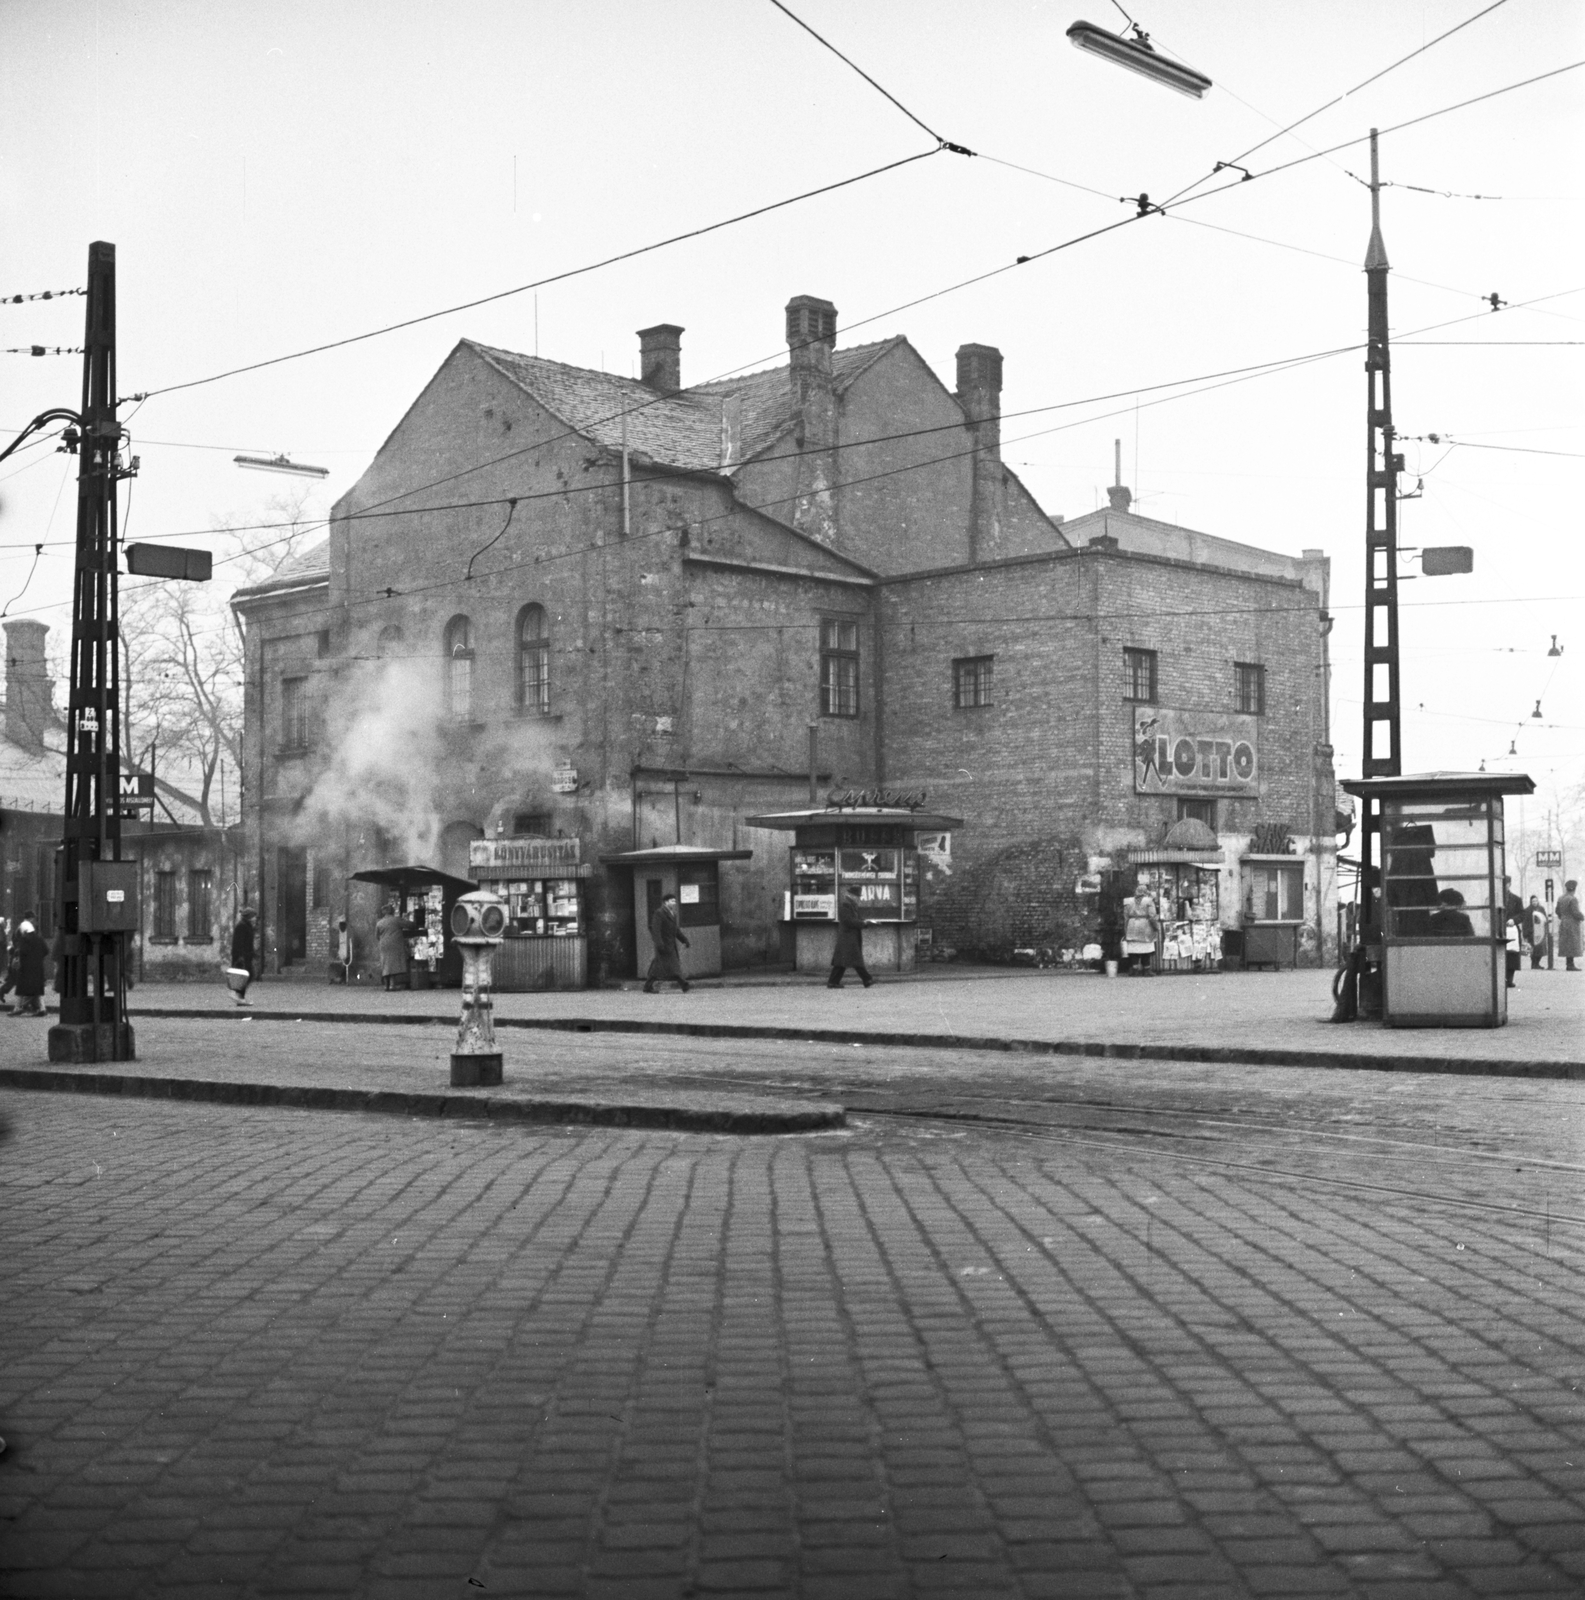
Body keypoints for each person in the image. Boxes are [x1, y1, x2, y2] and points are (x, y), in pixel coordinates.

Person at [643, 891, 690, 993]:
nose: (674, 903)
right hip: (663, 945)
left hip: (670, 945)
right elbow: (656, 930)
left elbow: (675, 930)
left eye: (675, 901)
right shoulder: (659, 913)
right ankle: (684, 984)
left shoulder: (673, 914)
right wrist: (659, 944)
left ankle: (647, 986)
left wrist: (684, 940)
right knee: (673, 965)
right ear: (665, 902)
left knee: (658, 967)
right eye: (672, 901)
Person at [828, 888, 874, 990]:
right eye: (857, 896)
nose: (858, 899)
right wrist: (863, 923)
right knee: (855, 959)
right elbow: (849, 921)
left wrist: (865, 922)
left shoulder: (850, 905)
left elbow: (854, 920)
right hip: (848, 937)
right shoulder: (846, 905)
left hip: (849, 937)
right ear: (852, 895)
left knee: (842, 961)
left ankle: (833, 982)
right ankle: (867, 979)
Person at [9, 918, 49, 1017]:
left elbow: (21, 952)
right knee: (37, 991)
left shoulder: (24, 940)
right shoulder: (39, 938)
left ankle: (19, 1007)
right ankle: (42, 1009)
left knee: (21, 990)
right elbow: (46, 950)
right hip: (38, 968)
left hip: (26, 969)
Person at [1122, 883, 1159, 975]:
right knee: (1146, 948)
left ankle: (1134, 969)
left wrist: (1126, 929)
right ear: (1145, 891)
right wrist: (1156, 927)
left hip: (1132, 924)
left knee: (1134, 947)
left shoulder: (1128, 901)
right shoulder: (1149, 901)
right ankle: (1146, 969)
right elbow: (1152, 916)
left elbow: (1126, 917)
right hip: (1145, 925)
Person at [375, 901, 413, 991]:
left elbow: (376, 936)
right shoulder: (396, 920)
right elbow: (410, 925)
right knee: (393, 964)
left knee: (385, 964)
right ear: (391, 911)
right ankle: (392, 985)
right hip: (395, 944)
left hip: (383, 945)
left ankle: (386, 985)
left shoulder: (379, 923)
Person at [228, 907, 258, 1005]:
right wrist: (240, 957)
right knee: (247, 975)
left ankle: (240, 997)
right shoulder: (242, 926)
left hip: (246, 956)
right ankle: (238, 995)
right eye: (253, 916)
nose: (255, 918)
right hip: (242, 957)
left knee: (247, 975)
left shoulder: (247, 925)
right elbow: (238, 943)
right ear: (249, 917)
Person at [1502, 877, 1524, 989]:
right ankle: (1501, 979)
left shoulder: (1516, 899)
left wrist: (1514, 920)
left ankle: (1509, 980)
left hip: (1512, 930)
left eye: (1505, 883)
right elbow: (1485, 914)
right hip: (1498, 930)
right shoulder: (1492, 898)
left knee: (1512, 955)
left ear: (1509, 884)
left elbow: (1522, 914)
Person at [1558, 879, 1583, 972]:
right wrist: (1582, 917)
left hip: (1563, 922)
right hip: (1572, 923)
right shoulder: (1573, 899)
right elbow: (1576, 912)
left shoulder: (1561, 898)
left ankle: (1569, 963)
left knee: (1567, 943)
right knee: (1572, 943)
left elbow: (1557, 911)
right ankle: (1570, 964)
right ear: (1574, 889)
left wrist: (1563, 917)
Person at [1526, 895, 1549, 970]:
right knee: (1534, 949)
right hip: (1532, 932)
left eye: (1536, 901)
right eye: (1533, 901)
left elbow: (1544, 918)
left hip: (1540, 931)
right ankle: (1534, 964)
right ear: (1531, 902)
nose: (1534, 902)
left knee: (1541, 948)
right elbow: (1526, 922)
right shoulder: (1528, 910)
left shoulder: (1541, 908)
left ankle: (1537, 963)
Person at [330, 915, 352, 984]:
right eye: (340, 924)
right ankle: (338, 978)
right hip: (339, 953)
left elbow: (350, 945)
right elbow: (335, 945)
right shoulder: (336, 934)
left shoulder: (349, 934)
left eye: (343, 924)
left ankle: (343, 978)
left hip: (347, 953)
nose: (342, 926)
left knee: (346, 962)